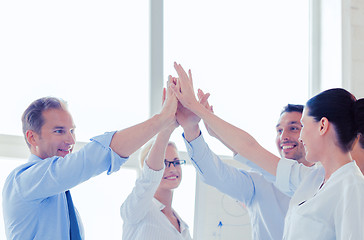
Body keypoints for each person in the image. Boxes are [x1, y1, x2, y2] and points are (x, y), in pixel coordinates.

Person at [172, 62, 364, 239]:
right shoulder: (313, 179)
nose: (299, 137)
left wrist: (196, 107)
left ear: (322, 126)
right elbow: (250, 148)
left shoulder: (352, 187)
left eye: (301, 127)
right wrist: (199, 113)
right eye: (279, 130)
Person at [2, 80, 178, 240]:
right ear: (32, 138)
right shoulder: (23, 181)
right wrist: (161, 120)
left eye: (72, 131)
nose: (71, 140)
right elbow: (92, 158)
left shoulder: (58, 192)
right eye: (59, 131)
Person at [176, 86, 312, 239]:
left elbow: (249, 148)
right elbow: (213, 173)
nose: (283, 137)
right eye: (279, 131)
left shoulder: (324, 179)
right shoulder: (258, 183)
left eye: (293, 128)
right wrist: (191, 130)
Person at [120, 118, 192, 240]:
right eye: (164, 163)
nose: (173, 168)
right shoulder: (137, 209)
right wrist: (166, 129)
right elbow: (148, 178)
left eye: (176, 162)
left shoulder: (184, 228)